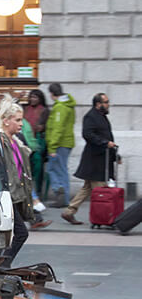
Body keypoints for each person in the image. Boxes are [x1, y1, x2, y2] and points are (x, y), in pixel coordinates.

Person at [0, 94, 51, 269]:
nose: (21, 124)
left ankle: (0, 265)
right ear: (6, 121)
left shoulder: (15, 142)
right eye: (18, 120)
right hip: (6, 195)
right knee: (20, 233)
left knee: (9, 234)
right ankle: (2, 266)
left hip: (16, 195)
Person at [61, 93, 118, 225]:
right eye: (106, 102)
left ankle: (69, 212)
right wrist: (105, 143)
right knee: (101, 192)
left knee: (86, 188)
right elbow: (88, 135)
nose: (108, 104)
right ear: (98, 104)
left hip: (100, 159)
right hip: (95, 160)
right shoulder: (91, 116)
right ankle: (104, 218)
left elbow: (106, 137)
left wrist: (115, 155)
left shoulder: (101, 116)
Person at [45, 83, 76, 208]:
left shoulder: (60, 107)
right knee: (61, 169)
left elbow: (57, 128)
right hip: (65, 143)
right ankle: (64, 197)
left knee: (54, 169)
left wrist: (52, 147)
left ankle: (60, 192)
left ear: (52, 94)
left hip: (60, 144)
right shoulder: (67, 105)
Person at [24, 89, 50, 195]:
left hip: (38, 144)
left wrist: (42, 128)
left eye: (35, 97)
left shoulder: (44, 110)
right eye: (31, 97)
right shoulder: (25, 109)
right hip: (25, 142)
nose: (32, 99)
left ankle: (38, 191)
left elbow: (46, 126)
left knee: (38, 169)